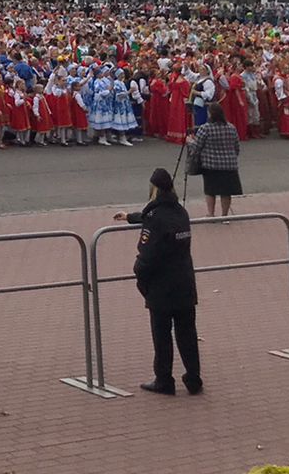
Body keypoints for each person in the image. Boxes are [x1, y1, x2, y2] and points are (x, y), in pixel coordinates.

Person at [113, 167, 202, 396]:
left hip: (162, 286)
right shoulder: (181, 212)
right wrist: (130, 217)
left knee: (162, 335)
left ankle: (164, 379)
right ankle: (193, 378)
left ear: (153, 189)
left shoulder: (155, 217)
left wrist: (139, 275)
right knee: (187, 334)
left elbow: (148, 254)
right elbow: (150, 218)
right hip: (185, 282)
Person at [186, 102, 243, 218]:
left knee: (210, 190)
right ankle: (224, 215)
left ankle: (211, 214)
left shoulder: (205, 128)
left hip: (211, 165)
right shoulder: (231, 127)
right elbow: (237, 147)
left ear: (210, 114)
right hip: (229, 165)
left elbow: (196, 147)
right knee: (226, 192)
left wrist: (189, 141)